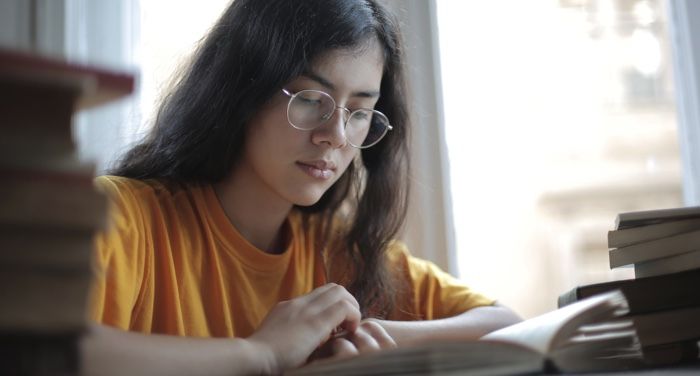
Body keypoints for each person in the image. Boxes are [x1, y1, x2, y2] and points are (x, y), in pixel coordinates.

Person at [81, 0, 521, 374]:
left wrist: (370, 335)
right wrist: (260, 353)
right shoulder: (120, 216)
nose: (336, 135)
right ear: (241, 89)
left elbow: (509, 325)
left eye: (360, 111)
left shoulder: (343, 251)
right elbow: (37, 350)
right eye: (312, 99)